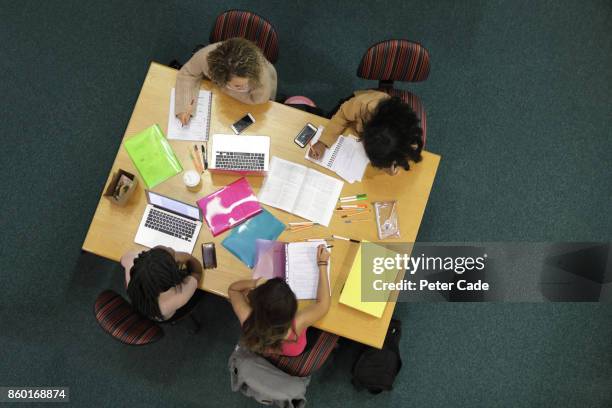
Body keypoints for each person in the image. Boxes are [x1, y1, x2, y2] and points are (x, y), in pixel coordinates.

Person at [228, 245, 331, 357]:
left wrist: (254, 283)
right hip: (293, 350)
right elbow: (323, 304)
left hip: (263, 346)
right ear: (292, 312)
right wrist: (322, 264)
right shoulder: (296, 324)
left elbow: (233, 290)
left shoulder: (247, 318)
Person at [309, 90, 423, 175]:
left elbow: (408, 152)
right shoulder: (362, 105)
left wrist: (387, 164)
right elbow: (342, 115)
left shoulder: (407, 136)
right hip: (350, 107)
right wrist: (323, 142)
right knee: (328, 116)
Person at [175, 37, 278, 126]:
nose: (243, 87)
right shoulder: (207, 57)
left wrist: (229, 91)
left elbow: (258, 101)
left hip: (252, 104)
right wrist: (184, 106)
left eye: (241, 85)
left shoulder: (262, 82)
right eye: (236, 85)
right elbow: (188, 73)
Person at [121, 246, 203, 321]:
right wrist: (187, 257)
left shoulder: (132, 260)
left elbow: (123, 259)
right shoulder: (177, 297)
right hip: (163, 315)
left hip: (143, 306)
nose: (170, 247)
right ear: (171, 282)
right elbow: (197, 272)